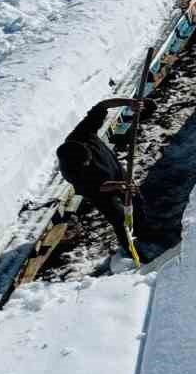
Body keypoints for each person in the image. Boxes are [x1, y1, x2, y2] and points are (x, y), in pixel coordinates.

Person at [56, 98, 153, 260]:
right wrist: (118, 186)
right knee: (119, 218)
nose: (89, 163)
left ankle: (144, 232)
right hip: (101, 191)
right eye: (86, 164)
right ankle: (131, 250)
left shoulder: (82, 133)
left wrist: (130, 103)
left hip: (115, 171)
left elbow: (102, 106)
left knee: (136, 200)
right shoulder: (72, 172)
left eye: (89, 159)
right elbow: (97, 188)